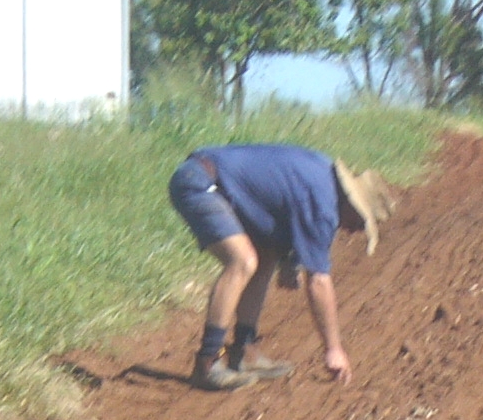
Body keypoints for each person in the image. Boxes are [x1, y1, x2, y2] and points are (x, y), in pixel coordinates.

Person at [166, 144, 394, 390]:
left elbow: (278, 202)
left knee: (265, 258)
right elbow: (318, 281)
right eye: (361, 222)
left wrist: (289, 259)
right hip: (200, 184)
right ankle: (207, 363)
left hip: (214, 180)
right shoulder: (323, 203)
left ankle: (244, 351)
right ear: (351, 204)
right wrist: (333, 349)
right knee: (242, 262)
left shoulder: (323, 176)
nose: (355, 231)